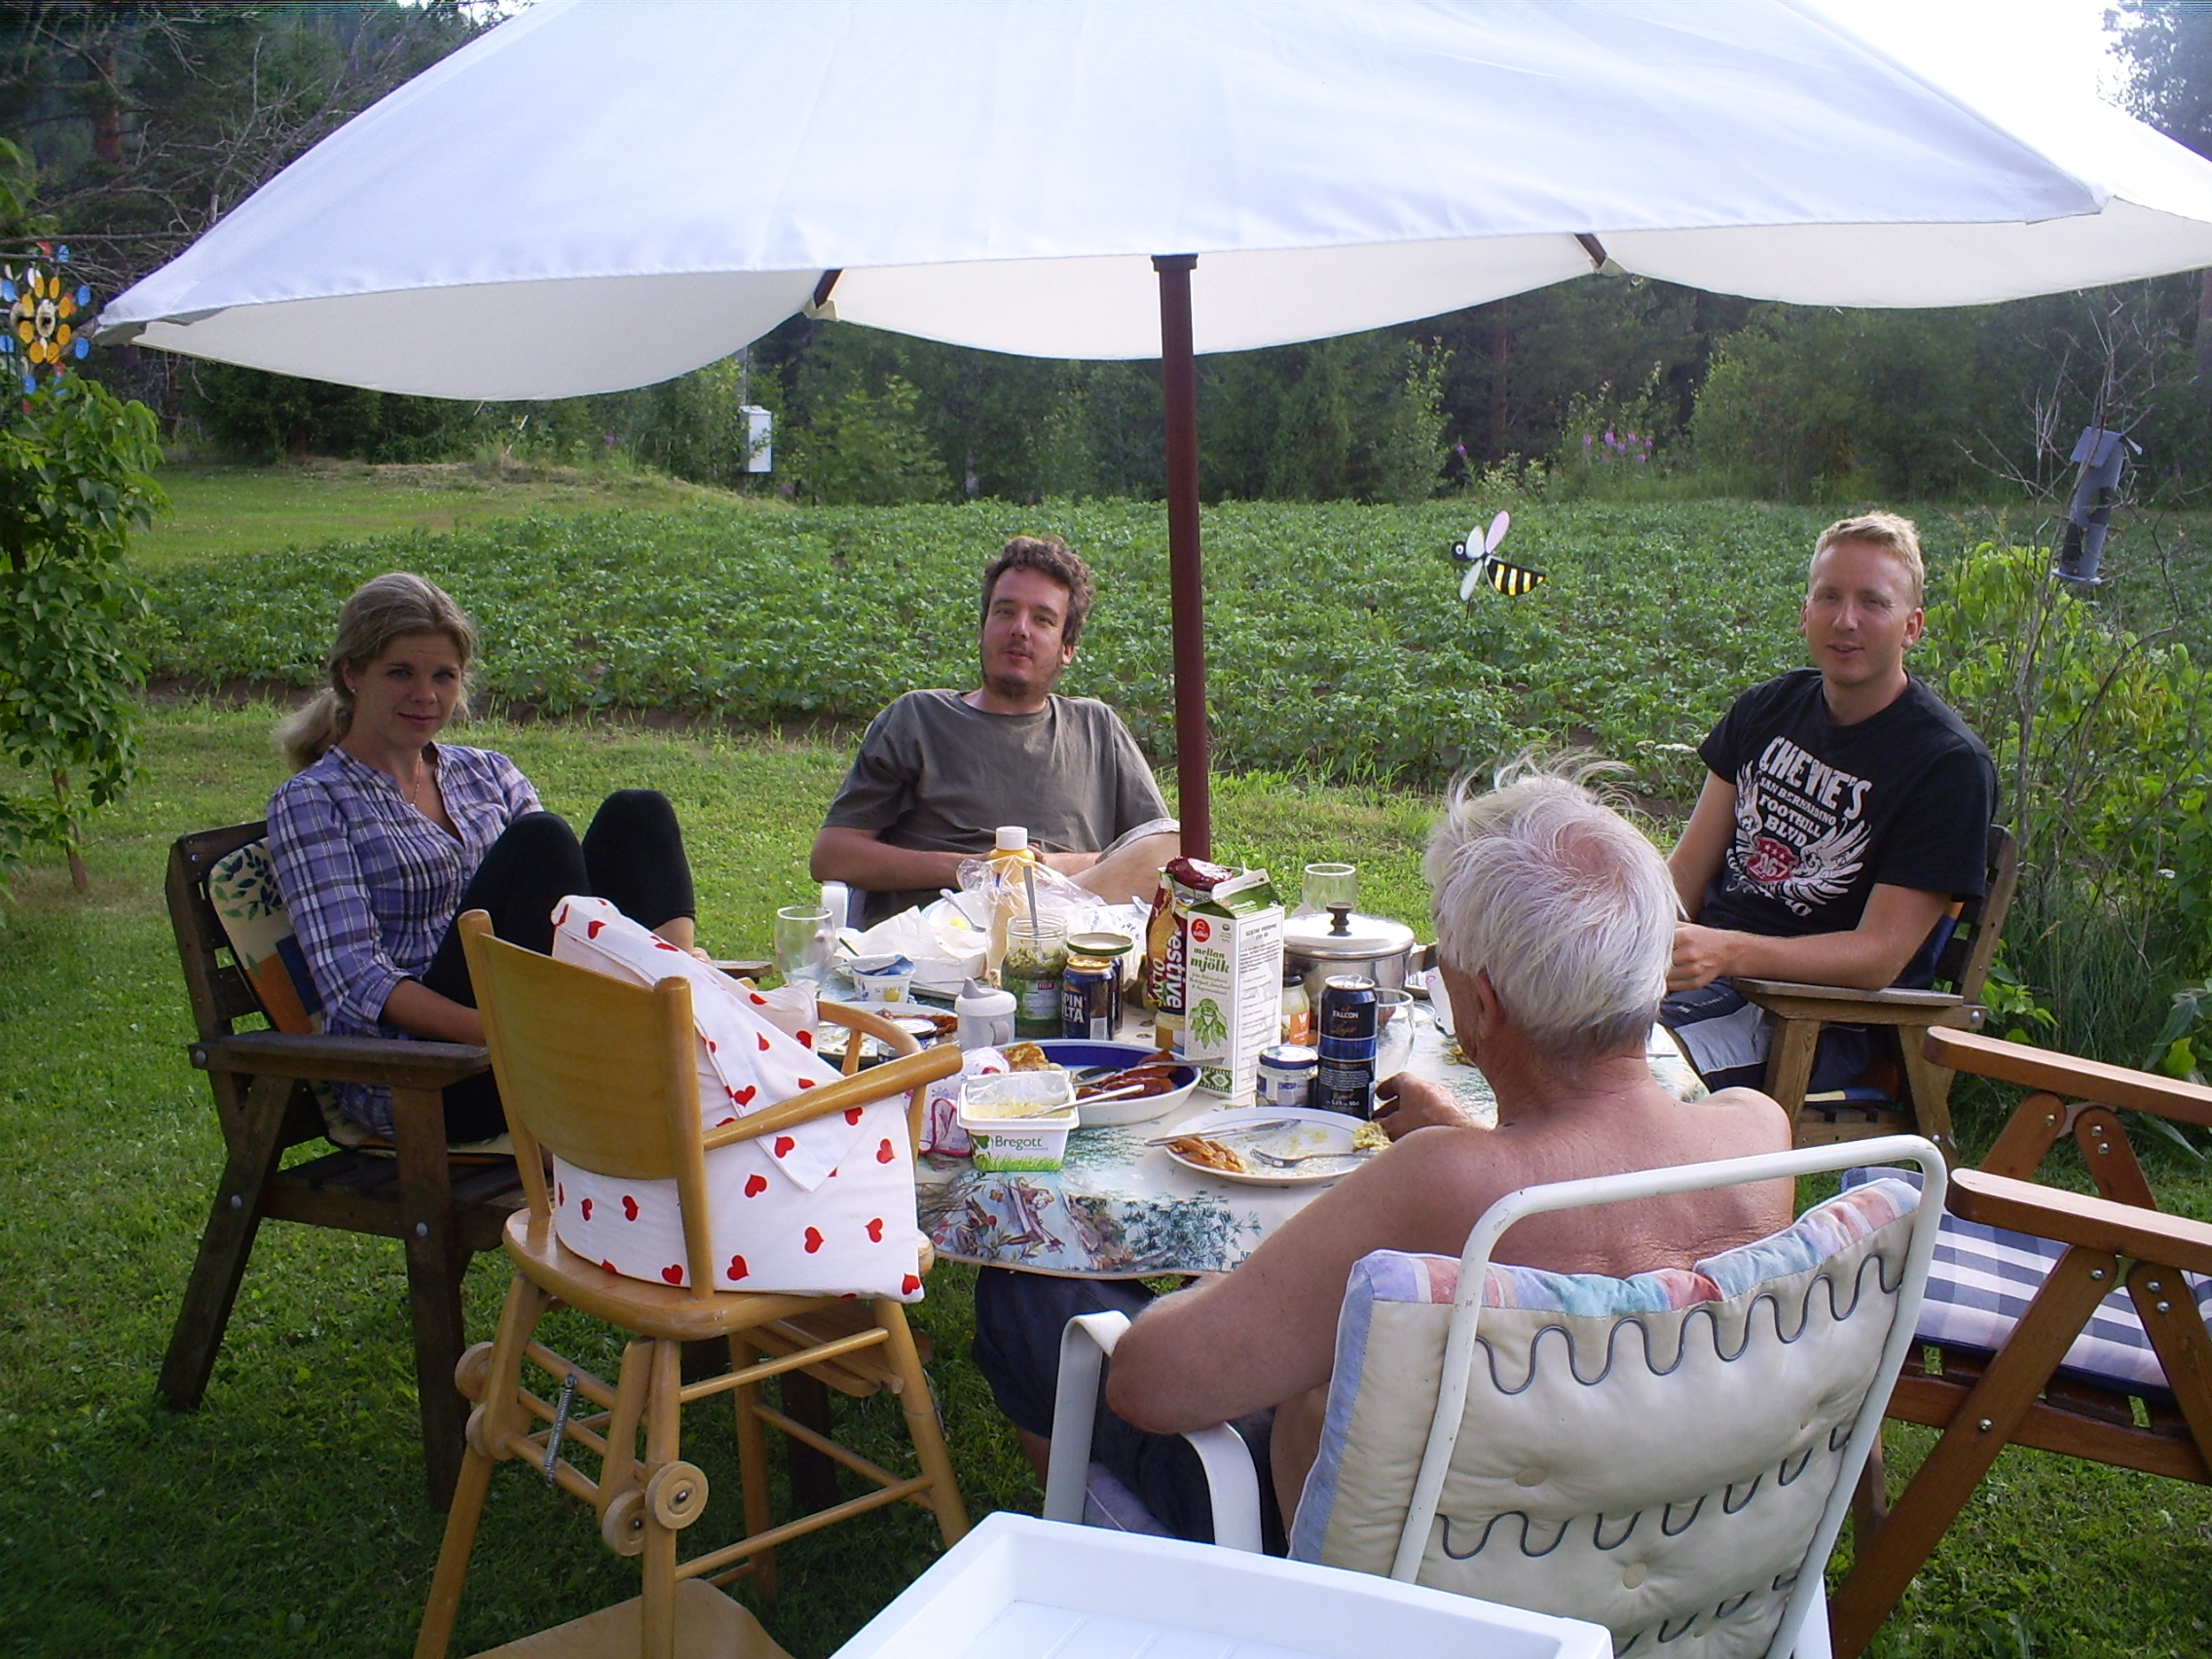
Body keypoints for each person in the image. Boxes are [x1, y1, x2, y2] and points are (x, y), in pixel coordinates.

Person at [971, 764, 1792, 1546]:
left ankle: (1097, 1566)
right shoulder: (1755, 1137)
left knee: (1029, 1293)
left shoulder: (1434, 1184)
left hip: (1383, 1570)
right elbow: (1586, 1218)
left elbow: (1150, 1386)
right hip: (1648, 1552)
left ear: (1482, 1006)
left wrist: (1235, 1275)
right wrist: (1473, 1143)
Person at [267, 572, 698, 1142]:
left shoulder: (486, 771)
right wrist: (512, 1040)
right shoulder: (314, 801)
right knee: (541, 840)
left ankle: (676, 997)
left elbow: (567, 907)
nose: (425, 695)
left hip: (544, 1033)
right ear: (352, 675)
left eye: (443, 676)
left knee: (638, 813)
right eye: (400, 673)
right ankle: (633, 1035)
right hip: (433, 1073)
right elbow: (358, 980)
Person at [1662, 512, 1998, 1095]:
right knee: (1533, 1015)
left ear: (1912, 626)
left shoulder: (1947, 765)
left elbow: (1876, 957)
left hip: (1814, 1019)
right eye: (1829, 597)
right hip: (1705, 978)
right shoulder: (1765, 709)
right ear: (1805, 613)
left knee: (1626, 1067)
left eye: (1873, 602)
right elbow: (1682, 880)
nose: (1846, 620)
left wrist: (1728, 953)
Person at [811, 534, 1177, 928]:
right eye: (1005, 612)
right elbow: (833, 855)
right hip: (937, 940)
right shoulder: (917, 719)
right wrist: (973, 871)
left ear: (1067, 647)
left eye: (1042, 619)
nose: (1020, 629)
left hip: (1069, 939)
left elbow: (1164, 858)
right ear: (982, 629)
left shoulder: (1096, 728)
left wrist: (1048, 869)